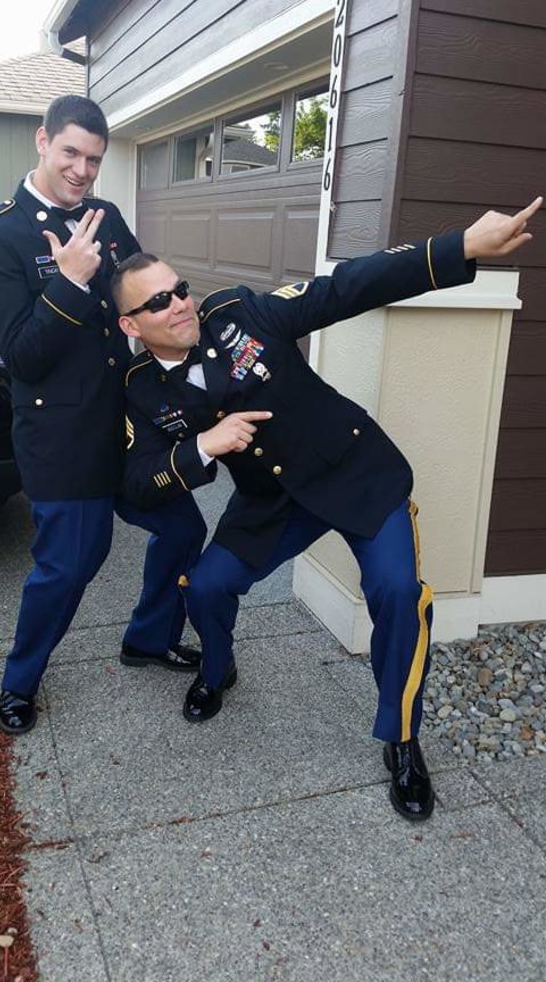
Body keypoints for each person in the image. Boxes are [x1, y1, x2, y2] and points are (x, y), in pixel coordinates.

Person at [112, 196, 542, 822]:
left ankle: (401, 738)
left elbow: (346, 287)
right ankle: (217, 670)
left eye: (179, 289)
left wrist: (460, 248)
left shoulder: (239, 313)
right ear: (131, 326)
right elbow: (137, 481)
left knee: (398, 593)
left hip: (353, 471)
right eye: (158, 302)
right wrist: (203, 445)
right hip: (272, 500)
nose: (179, 304)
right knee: (206, 586)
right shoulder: (141, 389)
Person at [0, 95, 206, 737]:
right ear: (43, 141)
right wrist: (69, 281)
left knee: (182, 528)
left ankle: (149, 638)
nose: (81, 170)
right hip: (61, 436)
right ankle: (20, 681)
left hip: (126, 423)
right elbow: (22, 356)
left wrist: (189, 333)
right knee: (71, 563)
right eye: (70, 152)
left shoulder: (107, 217)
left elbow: (143, 293)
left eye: (94, 159)